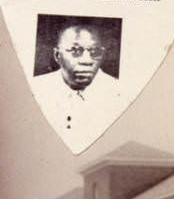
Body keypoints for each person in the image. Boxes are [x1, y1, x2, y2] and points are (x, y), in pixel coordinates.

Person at [32, 23, 123, 153]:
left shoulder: (119, 93)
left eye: (94, 52)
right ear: (57, 55)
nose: (87, 60)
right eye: (75, 51)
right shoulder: (37, 89)